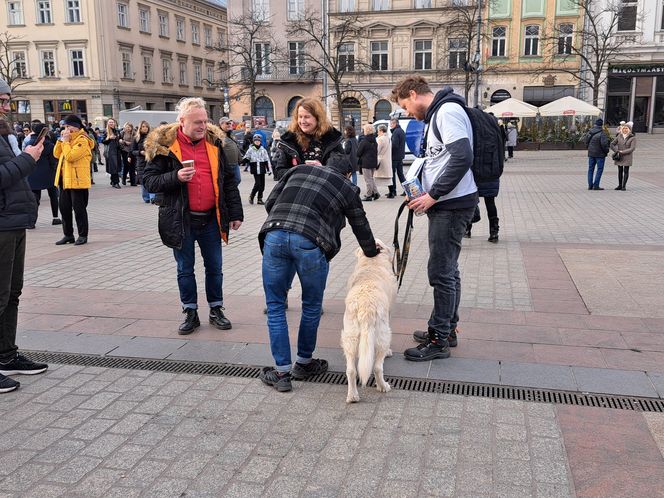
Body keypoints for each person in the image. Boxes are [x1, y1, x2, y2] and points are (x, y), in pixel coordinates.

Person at [258, 158, 380, 392]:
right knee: (312, 305)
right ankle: (304, 363)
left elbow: (271, 202)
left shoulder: (299, 170)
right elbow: (360, 224)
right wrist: (371, 253)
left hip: (274, 235)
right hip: (311, 243)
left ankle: (281, 373)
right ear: (348, 173)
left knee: (275, 306)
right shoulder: (347, 187)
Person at [391, 75, 477, 361]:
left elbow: (462, 157)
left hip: (451, 205)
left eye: (405, 105)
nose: (406, 113)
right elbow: (436, 161)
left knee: (440, 272)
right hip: (447, 203)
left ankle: (438, 339)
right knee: (448, 271)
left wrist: (433, 195)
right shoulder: (438, 115)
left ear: (414, 94)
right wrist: (419, 191)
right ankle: (447, 329)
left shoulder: (447, 112)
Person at [142, 97, 244, 335]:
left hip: (210, 217)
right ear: (182, 122)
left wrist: (236, 213)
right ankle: (190, 311)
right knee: (185, 269)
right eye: (197, 122)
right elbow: (148, 181)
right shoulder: (164, 147)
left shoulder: (214, 143)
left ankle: (216, 308)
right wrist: (175, 177)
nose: (203, 126)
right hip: (182, 219)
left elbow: (228, 181)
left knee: (215, 267)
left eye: (205, 121)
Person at [0, 78, 49, 393]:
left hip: (13, 220)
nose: (7, 107)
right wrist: (27, 158)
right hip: (2, 224)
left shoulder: (4, 134)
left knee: (12, 293)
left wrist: (29, 158)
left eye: (7, 100)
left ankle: (6, 355)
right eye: (2, 101)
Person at [272, 97, 347, 180]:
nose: (302, 121)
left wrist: (322, 169)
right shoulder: (289, 140)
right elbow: (278, 173)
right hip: (296, 190)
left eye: (307, 117)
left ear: (318, 118)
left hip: (323, 190)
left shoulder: (331, 138)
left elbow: (341, 170)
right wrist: (301, 171)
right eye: (300, 117)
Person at [53, 114, 94, 246]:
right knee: (64, 209)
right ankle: (68, 234)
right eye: (64, 127)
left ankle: (83, 235)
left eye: (68, 126)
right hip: (64, 180)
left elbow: (71, 156)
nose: (66, 129)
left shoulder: (82, 140)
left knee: (79, 210)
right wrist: (61, 141)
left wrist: (65, 142)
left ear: (76, 127)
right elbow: (56, 154)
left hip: (78, 181)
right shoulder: (67, 139)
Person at [27, 123, 61, 227]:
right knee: (53, 195)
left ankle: (32, 222)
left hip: (32, 173)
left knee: (34, 198)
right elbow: (53, 161)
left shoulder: (29, 143)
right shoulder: (49, 144)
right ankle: (55, 218)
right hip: (48, 173)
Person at [242, 133, 271, 205]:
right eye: (256, 141)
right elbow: (246, 158)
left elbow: (266, 160)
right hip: (255, 169)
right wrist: (242, 161)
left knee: (262, 185)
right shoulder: (251, 150)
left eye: (258, 141)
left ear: (260, 142)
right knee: (257, 184)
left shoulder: (263, 150)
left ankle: (259, 199)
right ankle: (252, 196)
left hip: (262, 169)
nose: (257, 142)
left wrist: (269, 170)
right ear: (253, 142)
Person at [610, 121, 636, 191]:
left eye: (626, 129)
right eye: (624, 128)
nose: (625, 130)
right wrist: (616, 151)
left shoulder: (632, 138)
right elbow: (612, 144)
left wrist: (622, 152)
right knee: (620, 170)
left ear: (629, 130)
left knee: (626, 171)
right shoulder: (619, 136)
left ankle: (624, 186)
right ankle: (620, 185)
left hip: (627, 156)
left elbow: (632, 148)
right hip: (619, 156)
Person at [132, 120, 153, 203]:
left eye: (146, 126)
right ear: (140, 128)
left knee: (151, 178)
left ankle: (153, 197)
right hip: (141, 161)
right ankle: (146, 197)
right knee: (143, 179)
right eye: (143, 126)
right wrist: (140, 152)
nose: (145, 128)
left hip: (151, 160)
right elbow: (133, 151)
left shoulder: (151, 137)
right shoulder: (136, 138)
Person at [356, 123, 379, 201]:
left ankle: (369, 195)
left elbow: (358, 153)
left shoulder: (364, 142)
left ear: (365, 131)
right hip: (373, 162)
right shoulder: (375, 141)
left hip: (366, 163)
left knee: (368, 179)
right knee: (371, 178)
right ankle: (376, 193)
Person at [585, 118, 610, 190]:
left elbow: (586, 142)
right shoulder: (602, 133)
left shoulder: (590, 132)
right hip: (600, 155)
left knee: (590, 169)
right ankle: (596, 185)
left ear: (595, 124)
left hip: (591, 154)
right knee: (599, 169)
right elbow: (604, 144)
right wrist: (606, 151)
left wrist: (589, 149)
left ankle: (590, 185)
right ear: (601, 125)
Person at [219, 117, 241, 186]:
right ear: (221, 125)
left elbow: (236, 148)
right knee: (231, 182)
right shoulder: (219, 136)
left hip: (235, 163)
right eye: (227, 123)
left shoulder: (231, 134)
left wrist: (240, 159)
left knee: (237, 180)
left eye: (230, 123)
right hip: (227, 164)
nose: (229, 125)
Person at [389, 118, 406, 197]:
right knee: (400, 174)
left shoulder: (396, 132)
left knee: (392, 174)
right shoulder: (401, 131)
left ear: (395, 124)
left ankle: (393, 191)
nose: (390, 125)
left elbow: (394, 145)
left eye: (391, 124)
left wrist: (389, 148)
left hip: (395, 156)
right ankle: (406, 190)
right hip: (400, 156)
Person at [103, 118, 122, 189]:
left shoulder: (117, 131)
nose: (111, 123)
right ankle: (116, 182)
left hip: (117, 151)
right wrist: (109, 138)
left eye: (112, 122)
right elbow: (103, 141)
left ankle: (113, 181)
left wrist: (120, 140)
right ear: (107, 123)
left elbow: (120, 138)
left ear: (115, 123)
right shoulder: (106, 131)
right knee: (114, 166)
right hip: (110, 151)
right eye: (110, 122)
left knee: (116, 166)